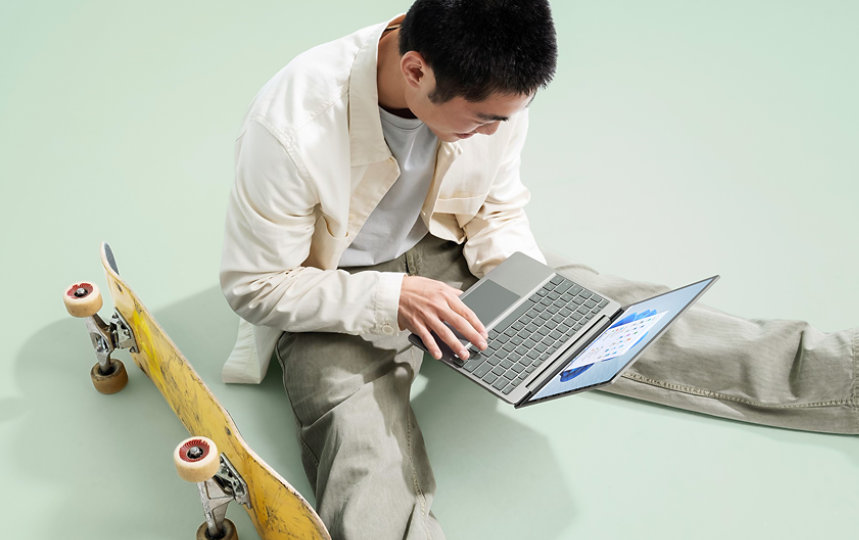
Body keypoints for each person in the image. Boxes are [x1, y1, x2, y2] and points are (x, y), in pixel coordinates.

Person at [219, 1, 858, 538]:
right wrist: (393, 297)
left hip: (450, 251)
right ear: (416, 70)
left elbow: (498, 207)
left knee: (619, 321)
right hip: (335, 291)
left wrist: (522, 287)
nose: (500, 128)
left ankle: (844, 377)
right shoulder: (290, 127)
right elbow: (255, 286)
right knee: (363, 457)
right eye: (486, 118)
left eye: (510, 114)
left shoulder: (495, 87)